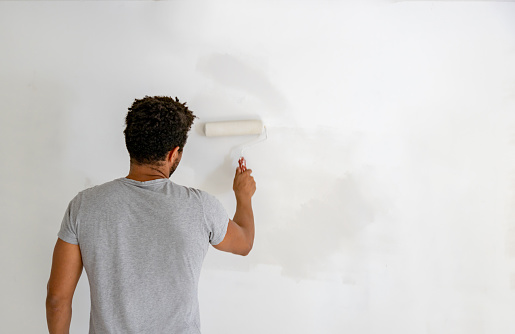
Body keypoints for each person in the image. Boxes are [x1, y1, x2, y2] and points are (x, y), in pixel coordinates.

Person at [46, 96, 256, 334]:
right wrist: (243, 196)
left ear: (130, 145)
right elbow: (244, 242)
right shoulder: (201, 207)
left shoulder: (84, 205)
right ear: (173, 153)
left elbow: (57, 301)